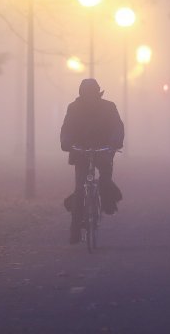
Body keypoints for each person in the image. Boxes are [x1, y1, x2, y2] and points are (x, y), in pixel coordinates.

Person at [60, 78, 124, 244]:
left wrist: (114, 143)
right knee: (80, 188)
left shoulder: (109, 107)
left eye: (92, 93)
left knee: (105, 180)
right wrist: (66, 143)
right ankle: (74, 231)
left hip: (104, 149)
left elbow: (117, 127)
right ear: (82, 93)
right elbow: (66, 128)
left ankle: (108, 201)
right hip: (81, 150)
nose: (90, 96)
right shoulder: (73, 108)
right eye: (87, 93)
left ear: (98, 93)